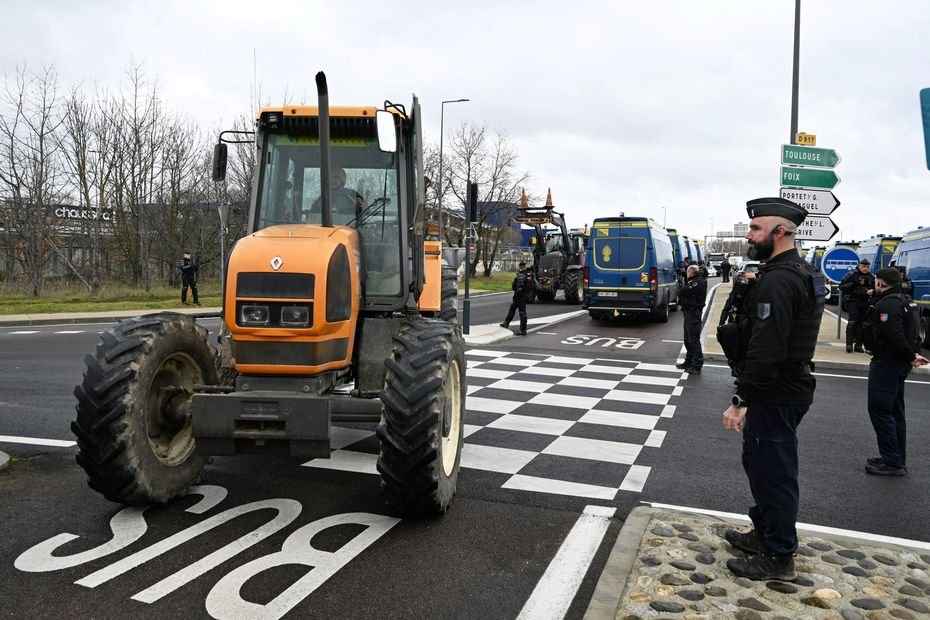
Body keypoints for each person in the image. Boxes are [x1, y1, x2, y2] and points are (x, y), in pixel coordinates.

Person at [722, 197, 825, 582]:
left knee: (774, 473)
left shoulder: (781, 278)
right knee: (761, 464)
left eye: (755, 229)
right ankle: (764, 533)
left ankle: (779, 555)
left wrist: (742, 399)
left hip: (777, 389)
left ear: (781, 232)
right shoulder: (792, 271)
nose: (749, 235)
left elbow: (768, 344)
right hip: (784, 386)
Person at [861, 267, 929, 476]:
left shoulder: (889, 304)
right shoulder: (907, 301)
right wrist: (912, 356)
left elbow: (894, 335)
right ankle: (895, 456)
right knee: (895, 411)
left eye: (876, 281)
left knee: (881, 411)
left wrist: (911, 356)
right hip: (898, 363)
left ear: (881, 283)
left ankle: (892, 462)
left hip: (887, 363)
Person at [838, 259, 875, 353]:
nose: (865, 269)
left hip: (865, 302)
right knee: (852, 322)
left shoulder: (871, 277)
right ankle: (849, 344)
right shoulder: (852, 275)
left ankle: (858, 345)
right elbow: (842, 287)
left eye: (867, 267)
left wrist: (871, 293)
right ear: (859, 266)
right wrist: (854, 283)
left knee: (862, 324)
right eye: (863, 266)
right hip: (853, 301)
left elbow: (875, 289)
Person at [676, 264, 706, 374]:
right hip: (688, 313)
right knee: (687, 340)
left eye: (687, 272)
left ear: (691, 272)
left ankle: (697, 364)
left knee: (693, 339)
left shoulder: (697, 282)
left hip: (694, 314)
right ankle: (688, 361)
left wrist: (683, 286)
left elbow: (682, 291)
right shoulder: (692, 281)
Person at [500, 261, 534, 335]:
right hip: (525, 295)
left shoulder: (521, 275)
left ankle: (523, 330)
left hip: (520, 295)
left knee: (522, 312)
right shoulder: (529, 274)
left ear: (520, 267)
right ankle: (506, 323)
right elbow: (532, 285)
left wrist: (516, 292)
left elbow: (518, 287)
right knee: (512, 308)